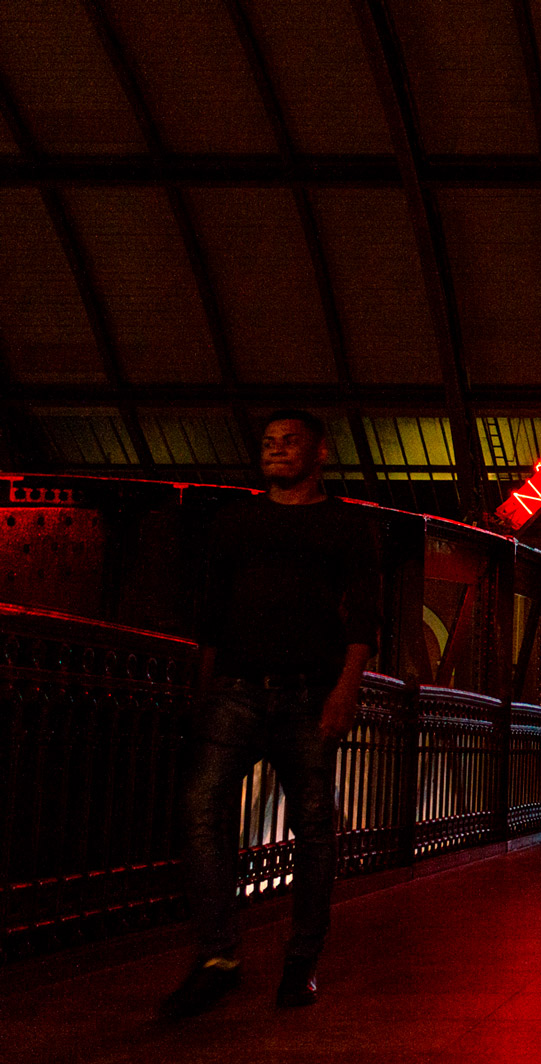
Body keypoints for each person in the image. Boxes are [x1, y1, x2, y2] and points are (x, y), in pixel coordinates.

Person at [161, 411, 380, 1018]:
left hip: (310, 695)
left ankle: (300, 965)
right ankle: (217, 957)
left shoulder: (346, 524)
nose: (277, 451)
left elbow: (364, 616)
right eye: (268, 443)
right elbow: (211, 615)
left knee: (313, 829)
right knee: (201, 815)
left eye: (290, 443)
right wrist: (202, 692)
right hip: (234, 690)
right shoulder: (236, 522)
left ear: (321, 453)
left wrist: (346, 690)